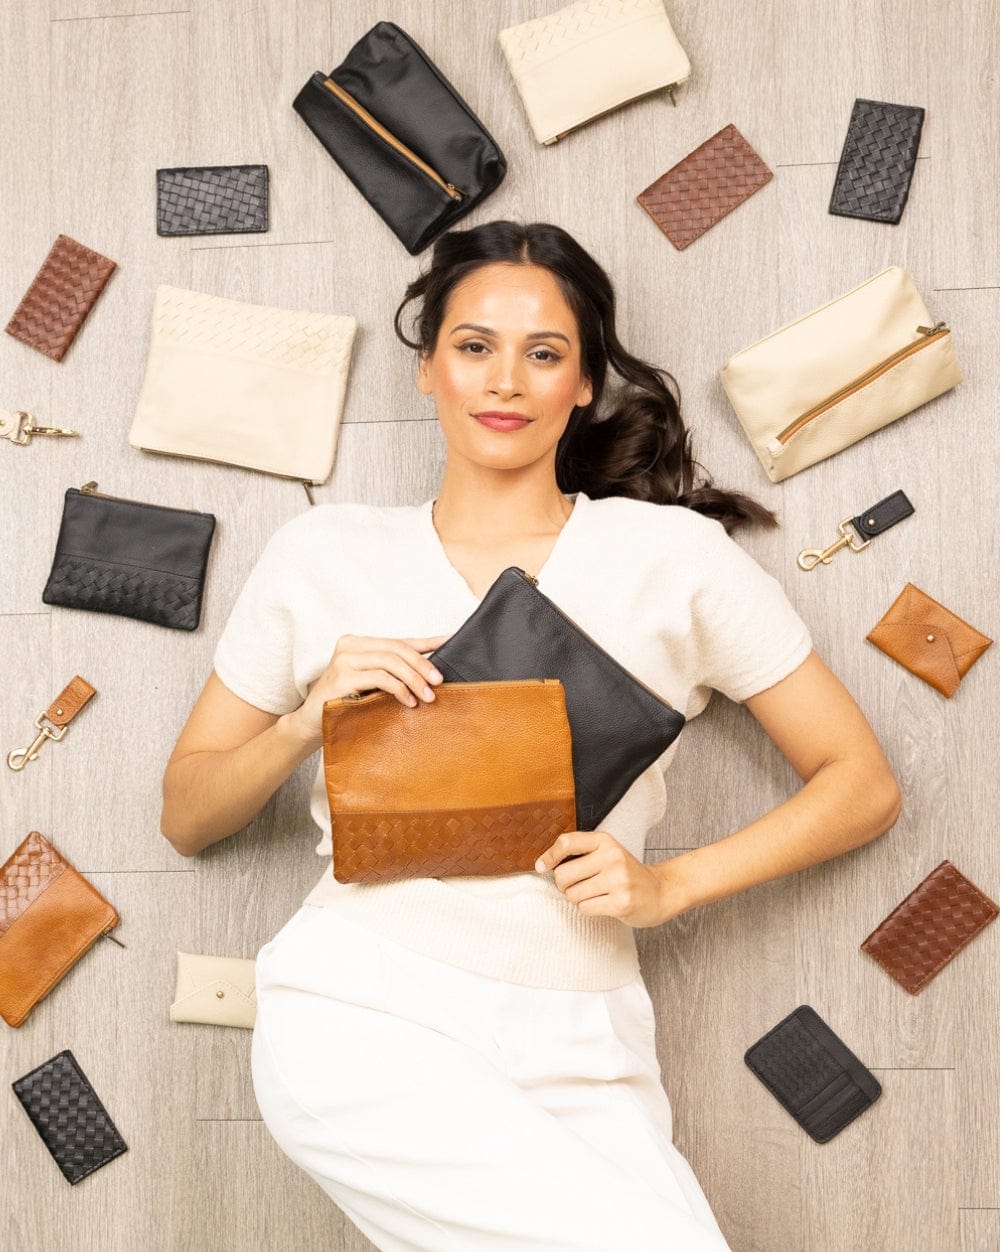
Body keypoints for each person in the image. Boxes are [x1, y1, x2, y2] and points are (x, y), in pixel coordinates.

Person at [160, 220, 901, 1252]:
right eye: (473, 345)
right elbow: (188, 813)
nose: (504, 379)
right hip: (368, 1003)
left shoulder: (675, 559)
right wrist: (302, 720)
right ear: (427, 369)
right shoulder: (320, 553)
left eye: (543, 352)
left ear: (584, 383)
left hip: (590, 1038)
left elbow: (859, 782)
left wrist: (669, 887)